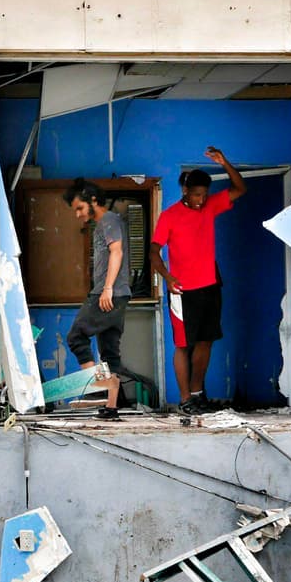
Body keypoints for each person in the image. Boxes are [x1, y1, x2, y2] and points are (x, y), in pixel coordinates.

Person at [149, 146, 247, 415]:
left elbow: (240, 188)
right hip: (181, 290)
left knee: (205, 341)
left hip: (210, 286)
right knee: (183, 344)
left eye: (204, 195)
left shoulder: (211, 206)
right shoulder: (169, 216)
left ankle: (196, 393)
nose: (200, 200)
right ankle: (184, 400)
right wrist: (167, 278)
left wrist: (225, 162)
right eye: (196, 195)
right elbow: (153, 252)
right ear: (185, 191)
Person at [62, 178, 130, 415]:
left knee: (76, 337)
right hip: (117, 296)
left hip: (109, 294)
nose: (78, 214)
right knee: (110, 352)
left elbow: (117, 251)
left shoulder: (109, 220)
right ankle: (113, 405)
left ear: (93, 200)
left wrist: (107, 288)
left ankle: (99, 390)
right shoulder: (102, 224)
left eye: (80, 208)